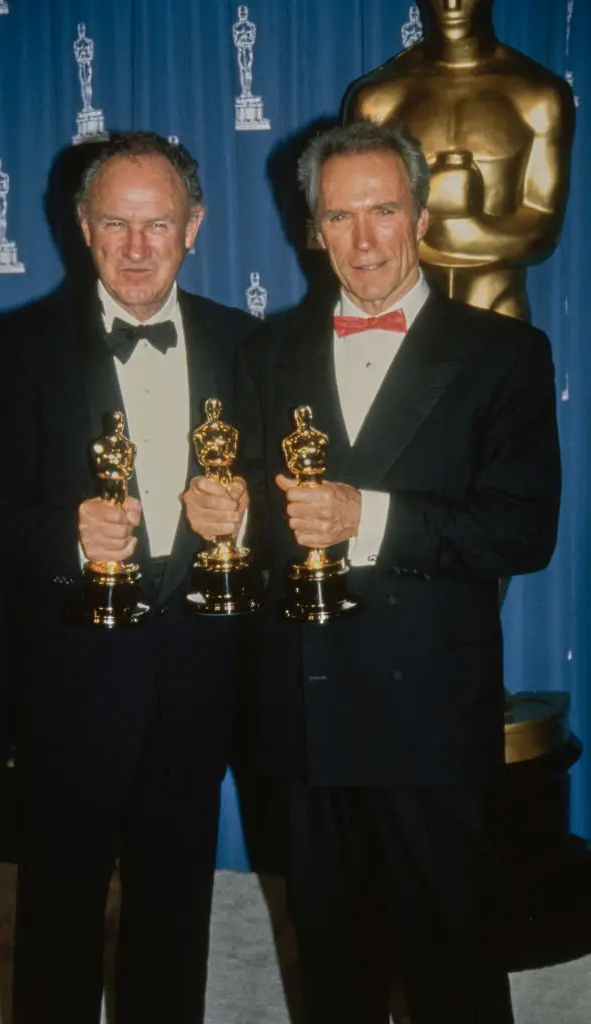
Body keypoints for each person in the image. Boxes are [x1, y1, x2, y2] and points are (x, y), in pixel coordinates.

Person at [236, 117, 561, 1023]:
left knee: (452, 963)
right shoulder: (265, 354)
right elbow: (259, 523)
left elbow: (522, 533)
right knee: (332, 968)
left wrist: (366, 517)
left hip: (427, 716)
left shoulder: (504, 354)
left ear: (420, 216)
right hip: (303, 709)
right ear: (314, 229)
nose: (366, 238)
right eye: (341, 217)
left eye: (383, 210)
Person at [0, 132, 254, 1024]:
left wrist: (244, 518)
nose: (138, 248)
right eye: (116, 224)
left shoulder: (251, 347)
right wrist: (68, 534)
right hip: (65, 695)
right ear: (82, 227)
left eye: (159, 224)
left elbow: (296, 508)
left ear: (195, 227)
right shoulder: (4, 350)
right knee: (55, 936)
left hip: (197, 690)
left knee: (174, 932)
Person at [342, 0, 575, 320]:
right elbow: (355, 226)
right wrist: (452, 218)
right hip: (402, 312)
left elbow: (541, 232)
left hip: (497, 309)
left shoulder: (539, 95)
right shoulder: (377, 98)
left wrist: (455, 224)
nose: (451, 4)